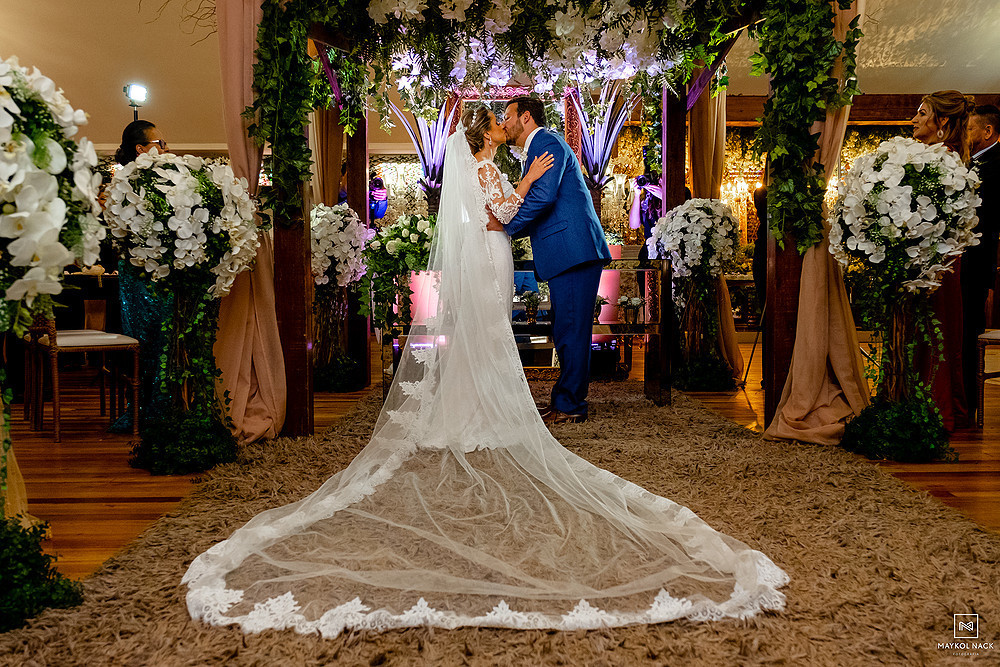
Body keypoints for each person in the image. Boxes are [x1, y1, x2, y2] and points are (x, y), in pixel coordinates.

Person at [182, 107, 788, 638]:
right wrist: (521, 184)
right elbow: (505, 211)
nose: (503, 125)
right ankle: (493, 405)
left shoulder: (470, 168)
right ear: (487, 140)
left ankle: (466, 401)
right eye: (496, 125)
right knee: (495, 333)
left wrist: (512, 199)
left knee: (481, 333)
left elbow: (494, 214)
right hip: (494, 255)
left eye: (507, 118)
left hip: (485, 257)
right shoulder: (496, 167)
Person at [500, 96, 613, 424]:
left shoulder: (545, 141)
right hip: (570, 251)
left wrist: (507, 228)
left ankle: (571, 405)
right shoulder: (541, 145)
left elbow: (543, 196)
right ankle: (565, 400)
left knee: (571, 329)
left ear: (525, 118)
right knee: (567, 327)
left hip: (574, 251)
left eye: (507, 117)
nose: (504, 123)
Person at [910, 91, 976, 430]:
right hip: (923, 256)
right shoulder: (931, 155)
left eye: (922, 113)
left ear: (942, 121)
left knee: (934, 324)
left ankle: (937, 405)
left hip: (937, 259)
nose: (914, 119)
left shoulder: (945, 160)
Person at [111, 120, 172, 431]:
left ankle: (165, 406)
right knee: (144, 340)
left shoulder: (163, 180)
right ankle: (143, 409)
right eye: (160, 143)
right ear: (141, 148)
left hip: (160, 271)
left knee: (165, 339)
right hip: (138, 273)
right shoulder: (125, 182)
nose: (166, 148)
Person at [961, 104, 1000, 421]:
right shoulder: (971, 162)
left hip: (975, 261)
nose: (966, 134)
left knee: (968, 332)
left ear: (988, 131)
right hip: (964, 261)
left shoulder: (995, 165)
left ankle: (967, 405)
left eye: (970, 128)